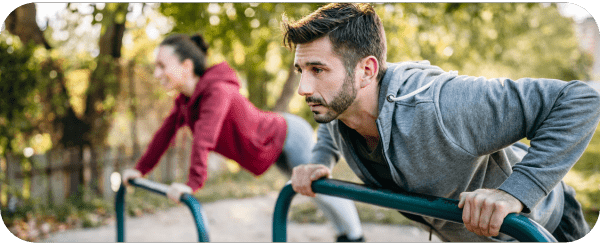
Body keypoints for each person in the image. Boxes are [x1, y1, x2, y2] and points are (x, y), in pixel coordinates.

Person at [283, 3, 600, 242]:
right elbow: (330, 125)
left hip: (544, 229)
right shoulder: (340, 105)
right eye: (302, 71)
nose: (304, 89)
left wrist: (515, 193)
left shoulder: (442, 104)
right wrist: (320, 160)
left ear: (366, 70)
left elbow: (578, 100)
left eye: (318, 70)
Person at [120, 33, 365, 242]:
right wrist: (140, 170)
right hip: (273, 142)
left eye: (162, 66)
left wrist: (192, 183)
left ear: (186, 66)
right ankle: (344, 234)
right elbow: (163, 136)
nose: (156, 73)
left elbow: (204, 137)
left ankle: (354, 236)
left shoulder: (217, 91)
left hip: (289, 133)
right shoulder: (185, 103)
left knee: (320, 188)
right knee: (308, 189)